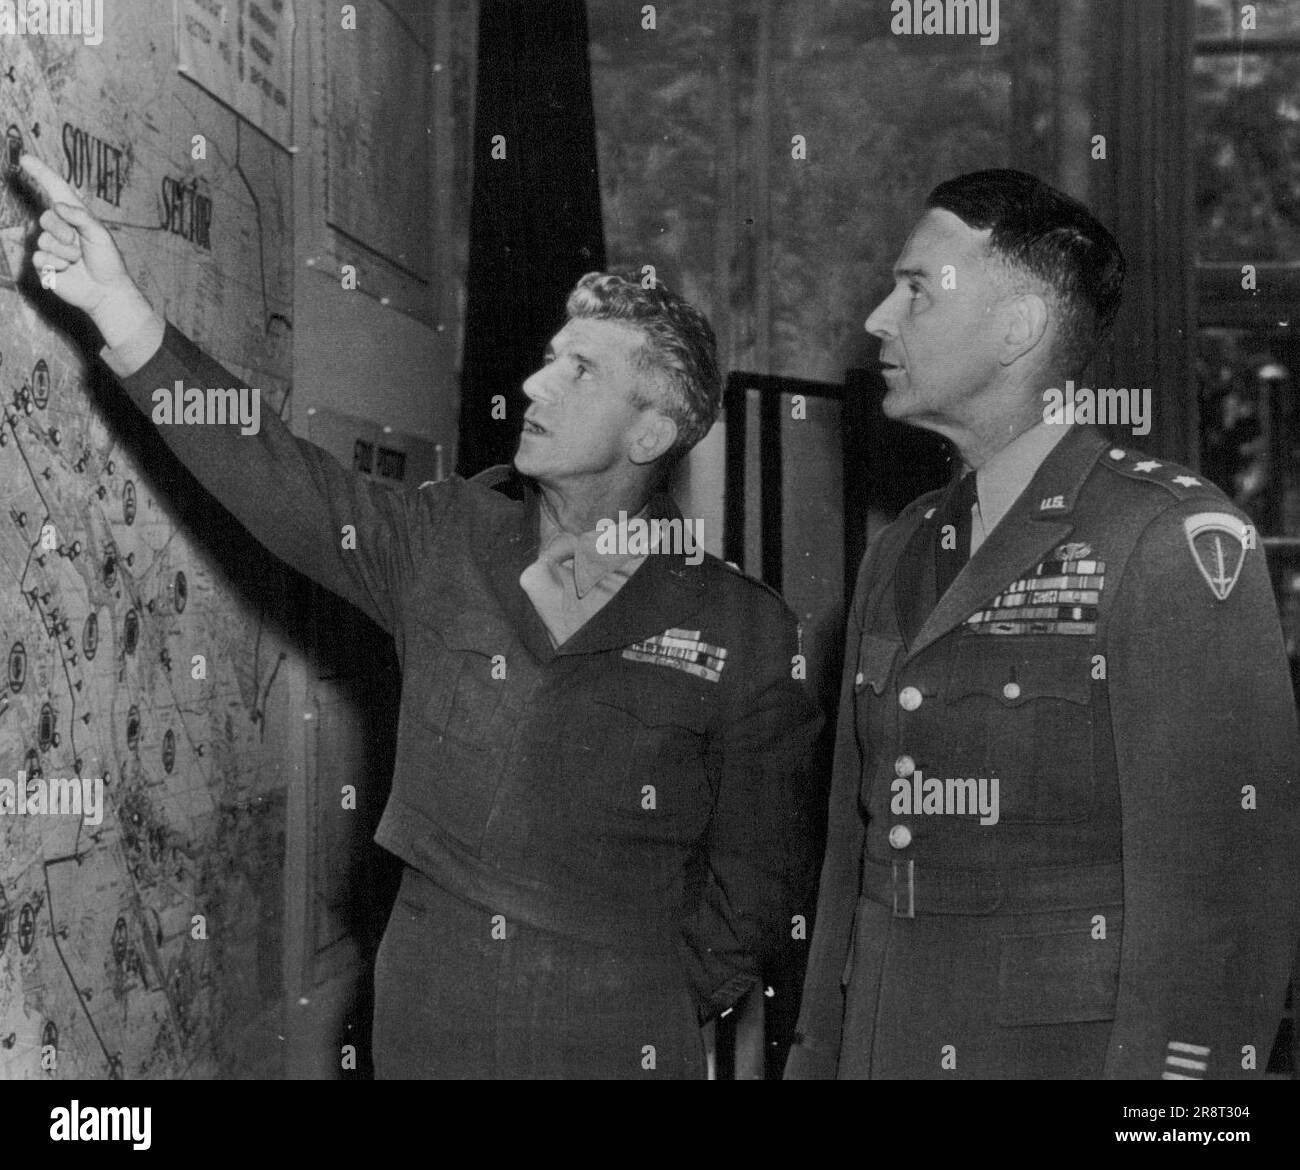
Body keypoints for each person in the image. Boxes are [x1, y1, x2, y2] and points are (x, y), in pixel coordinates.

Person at [21, 153, 820, 1080]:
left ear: (649, 434)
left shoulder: (744, 630)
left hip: (617, 1017)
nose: (533, 387)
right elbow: (280, 476)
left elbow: (762, 882)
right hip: (430, 991)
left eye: (579, 372)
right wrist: (121, 311)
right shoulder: (448, 536)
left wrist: (656, 992)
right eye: (549, 360)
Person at [787, 168, 1300, 1080]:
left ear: (1018, 327)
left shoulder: (1165, 539)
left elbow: (1222, 899)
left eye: (914, 290)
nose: (877, 319)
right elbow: (851, 864)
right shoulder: (903, 547)